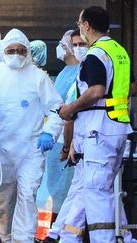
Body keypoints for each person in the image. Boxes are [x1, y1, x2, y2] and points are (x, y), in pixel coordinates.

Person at [0, 28, 63, 242]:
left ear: (27, 52)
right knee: (5, 200)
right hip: (2, 150)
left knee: (27, 196)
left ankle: (24, 238)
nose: (15, 54)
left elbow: (55, 108)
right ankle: (6, 237)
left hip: (30, 149)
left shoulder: (38, 77)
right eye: (11, 50)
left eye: (20, 50)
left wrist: (49, 133)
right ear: (3, 51)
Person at [59, 6, 133, 242]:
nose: (80, 27)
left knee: (96, 192)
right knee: (94, 189)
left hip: (99, 130)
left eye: (80, 23)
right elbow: (130, 87)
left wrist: (71, 108)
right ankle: (69, 237)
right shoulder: (118, 51)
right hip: (117, 127)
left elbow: (96, 90)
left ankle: (105, 240)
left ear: (87, 26)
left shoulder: (95, 54)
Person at [40, 29, 88, 243]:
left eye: (79, 44)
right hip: (64, 140)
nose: (69, 47)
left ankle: (62, 235)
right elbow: (57, 110)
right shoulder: (65, 73)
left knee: (72, 194)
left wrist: (68, 146)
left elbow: (67, 113)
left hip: (74, 141)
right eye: (72, 43)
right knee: (64, 194)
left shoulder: (82, 73)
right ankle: (58, 234)